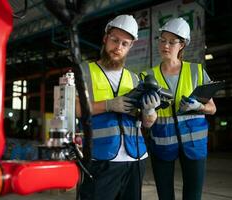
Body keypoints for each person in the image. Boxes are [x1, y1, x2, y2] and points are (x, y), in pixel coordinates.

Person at [76, 15, 160, 200]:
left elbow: (147, 124)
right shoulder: (84, 72)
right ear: (105, 38)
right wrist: (108, 105)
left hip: (136, 159)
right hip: (101, 159)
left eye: (125, 44)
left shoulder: (135, 79)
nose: (118, 47)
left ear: (130, 47)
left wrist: (150, 111)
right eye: (115, 40)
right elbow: (73, 108)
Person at [141, 17, 217, 200]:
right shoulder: (147, 75)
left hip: (194, 143)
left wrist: (199, 106)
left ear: (182, 45)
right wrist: (148, 112)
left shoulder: (196, 71)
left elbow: (212, 108)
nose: (165, 45)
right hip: (162, 143)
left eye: (172, 42)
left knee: (193, 195)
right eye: (162, 40)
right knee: (165, 195)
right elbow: (145, 122)